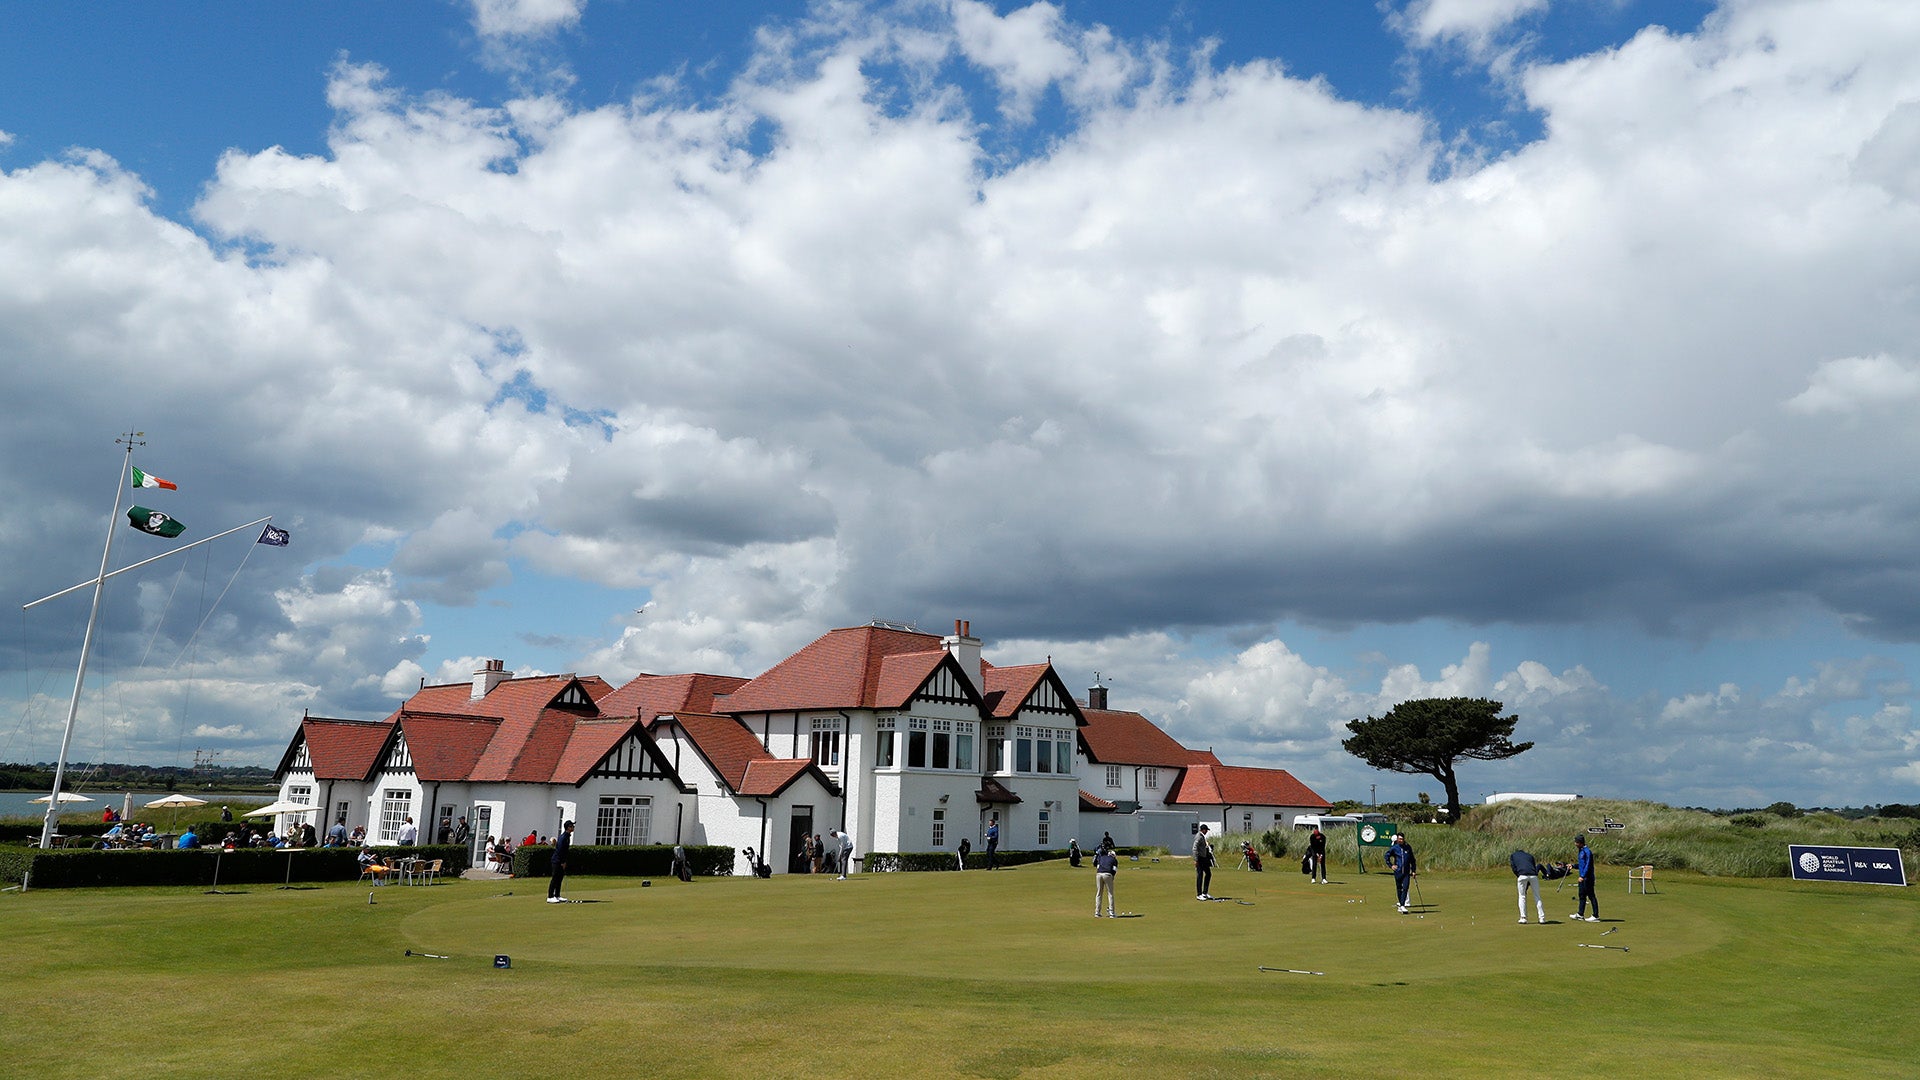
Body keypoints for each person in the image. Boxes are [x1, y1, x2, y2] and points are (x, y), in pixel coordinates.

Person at [1511, 848, 1548, 923]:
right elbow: (1533, 866)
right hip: (1533, 875)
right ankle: (1542, 918)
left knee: (1522, 896)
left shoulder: (1513, 856)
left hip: (1522, 875)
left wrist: (1519, 875)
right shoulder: (1529, 856)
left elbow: (1514, 868)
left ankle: (1523, 918)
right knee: (1537, 896)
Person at [1572, 835, 1600, 922]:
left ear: (1580, 843)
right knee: (1582, 896)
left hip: (1588, 878)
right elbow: (1581, 865)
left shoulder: (1587, 852)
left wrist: (1582, 876)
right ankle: (1580, 914)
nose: (1575, 844)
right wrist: (1573, 866)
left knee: (1591, 896)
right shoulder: (1581, 851)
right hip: (1582, 877)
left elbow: (1588, 866)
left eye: (1576, 842)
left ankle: (1595, 915)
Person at [1386, 832, 1416, 914]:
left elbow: (1412, 860)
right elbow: (1387, 856)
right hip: (1398, 872)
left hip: (1406, 872)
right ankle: (1401, 905)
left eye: (1402, 839)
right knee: (1399, 889)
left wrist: (1413, 871)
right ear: (1397, 840)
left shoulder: (1408, 847)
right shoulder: (1394, 848)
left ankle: (1402, 905)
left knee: (1405, 888)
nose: (1401, 840)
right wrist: (1391, 865)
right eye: (1399, 839)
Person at [547, 820, 575, 903]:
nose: (573, 827)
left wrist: (564, 861)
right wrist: (562, 862)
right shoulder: (563, 837)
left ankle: (557, 895)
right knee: (555, 878)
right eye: (572, 826)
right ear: (568, 827)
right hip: (557, 860)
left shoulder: (567, 836)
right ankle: (550, 896)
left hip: (561, 860)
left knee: (559, 878)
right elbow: (560, 850)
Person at [1093, 842, 1120, 917]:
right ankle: (1111, 913)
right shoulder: (1114, 860)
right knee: (1110, 893)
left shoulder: (1102, 857)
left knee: (1099, 893)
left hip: (1099, 874)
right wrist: (1111, 878)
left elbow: (1098, 866)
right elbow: (1114, 870)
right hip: (1108, 874)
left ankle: (1097, 912)